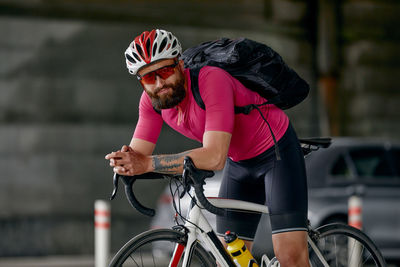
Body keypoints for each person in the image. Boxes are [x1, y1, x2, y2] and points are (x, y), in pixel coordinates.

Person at [105, 29, 310, 267]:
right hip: (240, 163)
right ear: (142, 82)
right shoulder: (152, 102)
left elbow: (214, 157)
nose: (160, 83)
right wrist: (125, 164)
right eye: (149, 78)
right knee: (230, 258)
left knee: (290, 257)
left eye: (165, 71)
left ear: (180, 64)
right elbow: (139, 156)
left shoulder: (211, 79)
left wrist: (146, 164)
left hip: (276, 153)